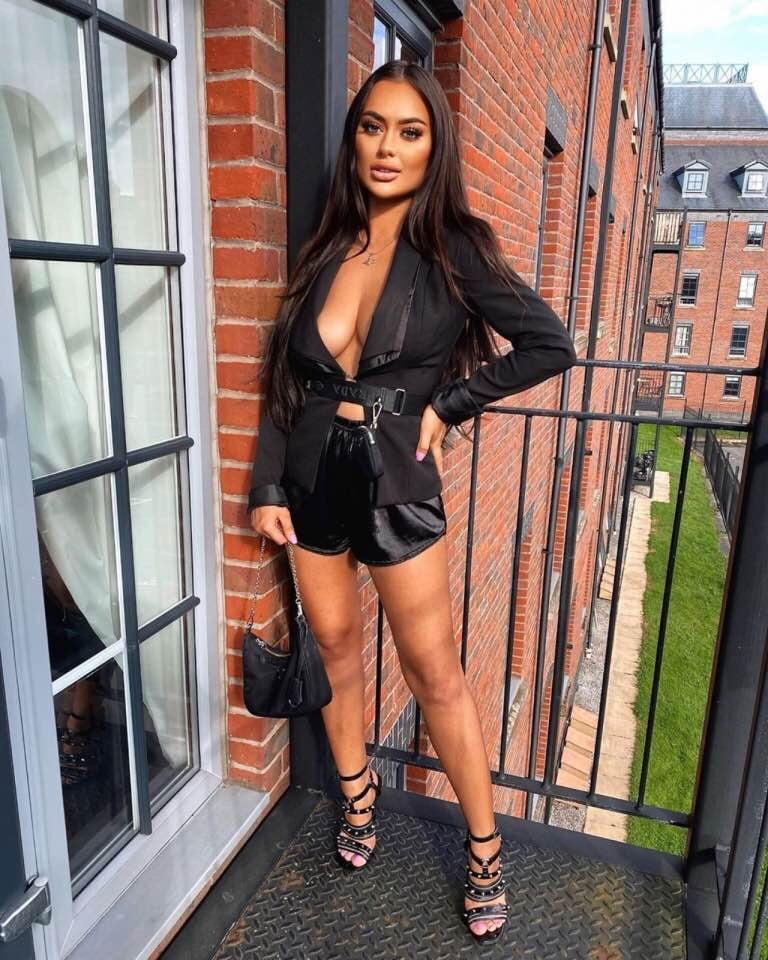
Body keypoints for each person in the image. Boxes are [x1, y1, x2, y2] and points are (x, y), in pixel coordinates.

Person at [248, 59, 577, 943]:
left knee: (436, 676)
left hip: (397, 486)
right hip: (312, 482)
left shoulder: (454, 247)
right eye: (372, 127)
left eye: (409, 131)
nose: (386, 148)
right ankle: (358, 797)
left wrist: (451, 403)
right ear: (354, 139)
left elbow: (550, 344)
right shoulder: (327, 247)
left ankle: (485, 850)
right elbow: (286, 379)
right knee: (334, 647)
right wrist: (268, 484)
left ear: (435, 147)